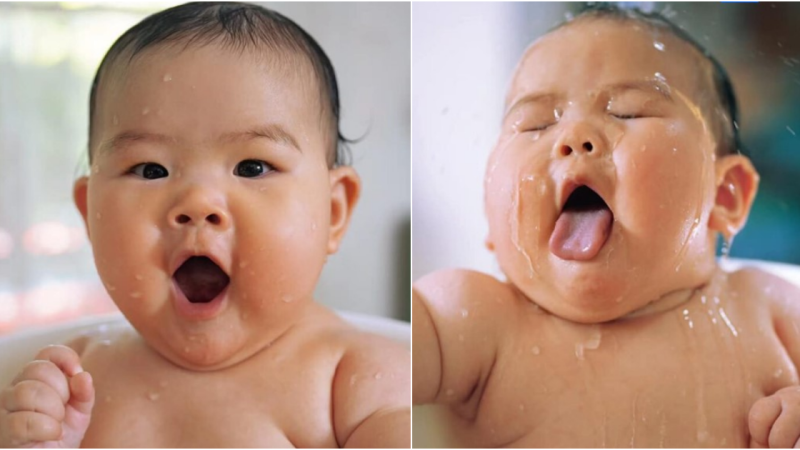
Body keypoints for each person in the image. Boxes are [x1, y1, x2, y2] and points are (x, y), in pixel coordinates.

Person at [0, 2, 409, 447]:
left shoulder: (360, 382)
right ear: (90, 215)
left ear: (333, 211)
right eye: (151, 170)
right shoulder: (73, 378)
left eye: (252, 167)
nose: (197, 203)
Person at [413, 5, 800, 447]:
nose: (573, 136)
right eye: (535, 125)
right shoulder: (474, 321)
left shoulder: (769, 309)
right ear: (489, 207)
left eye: (628, 113)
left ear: (725, 194)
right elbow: (385, 362)